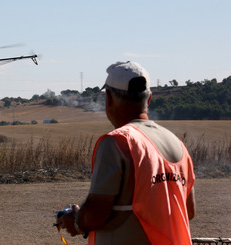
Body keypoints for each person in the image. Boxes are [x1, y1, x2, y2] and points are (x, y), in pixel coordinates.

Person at [57, 61, 196, 245]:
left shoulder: (116, 142)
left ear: (108, 98)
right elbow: (189, 210)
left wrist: (76, 219)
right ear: (149, 99)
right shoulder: (177, 144)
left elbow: (96, 214)